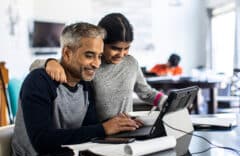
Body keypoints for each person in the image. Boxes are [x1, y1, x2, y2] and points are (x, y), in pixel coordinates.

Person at [11, 22, 139, 156]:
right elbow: (42, 141)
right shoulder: (39, 82)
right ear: (67, 53)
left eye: (99, 56)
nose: (97, 64)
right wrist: (103, 128)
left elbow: (91, 129)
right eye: (89, 56)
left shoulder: (85, 85)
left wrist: (122, 125)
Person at [30, 13, 167, 122]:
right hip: (98, 132)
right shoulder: (88, 66)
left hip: (127, 129)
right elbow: (35, 65)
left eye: (126, 48)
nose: (121, 54)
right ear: (101, 43)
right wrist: (50, 62)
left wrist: (166, 102)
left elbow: (146, 92)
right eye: (115, 48)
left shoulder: (131, 63)